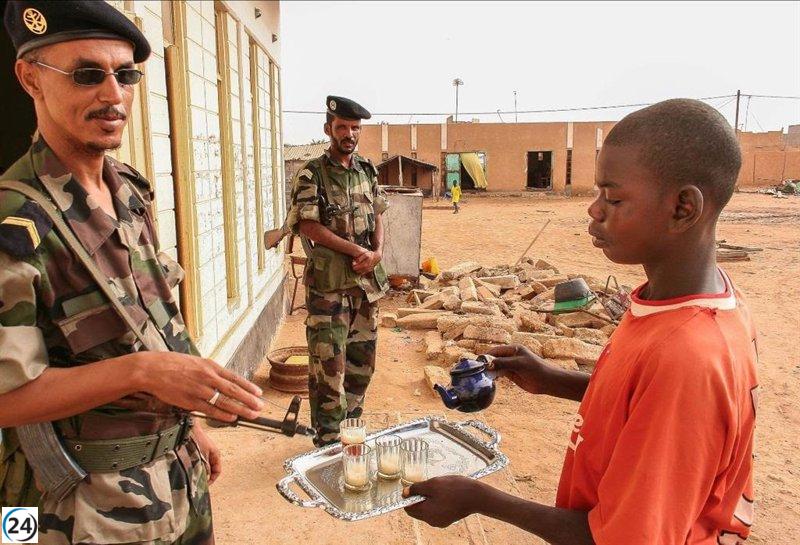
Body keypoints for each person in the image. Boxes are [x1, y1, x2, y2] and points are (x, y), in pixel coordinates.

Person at [403, 99, 758, 545]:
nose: (594, 209)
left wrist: (481, 499)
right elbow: (643, 403)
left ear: (683, 208)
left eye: (613, 197)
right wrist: (551, 378)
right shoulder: (693, 302)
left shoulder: (687, 356)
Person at [0, 2, 265, 543]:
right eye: (88, 74)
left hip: (175, 478)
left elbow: (154, 315)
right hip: (81, 507)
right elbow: (7, 397)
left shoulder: (129, 190)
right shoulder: (15, 226)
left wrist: (189, 429)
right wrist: (142, 373)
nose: (114, 94)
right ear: (31, 79)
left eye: (126, 75)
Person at [287, 96, 389, 446]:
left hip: (365, 285)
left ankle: (351, 431)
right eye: (342, 127)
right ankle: (329, 440)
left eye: (355, 128)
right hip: (329, 290)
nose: (349, 134)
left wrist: (377, 252)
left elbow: (378, 214)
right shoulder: (311, 173)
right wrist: (356, 250)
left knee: (362, 364)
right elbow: (308, 226)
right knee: (328, 367)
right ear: (328, 128)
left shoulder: (367, 170)